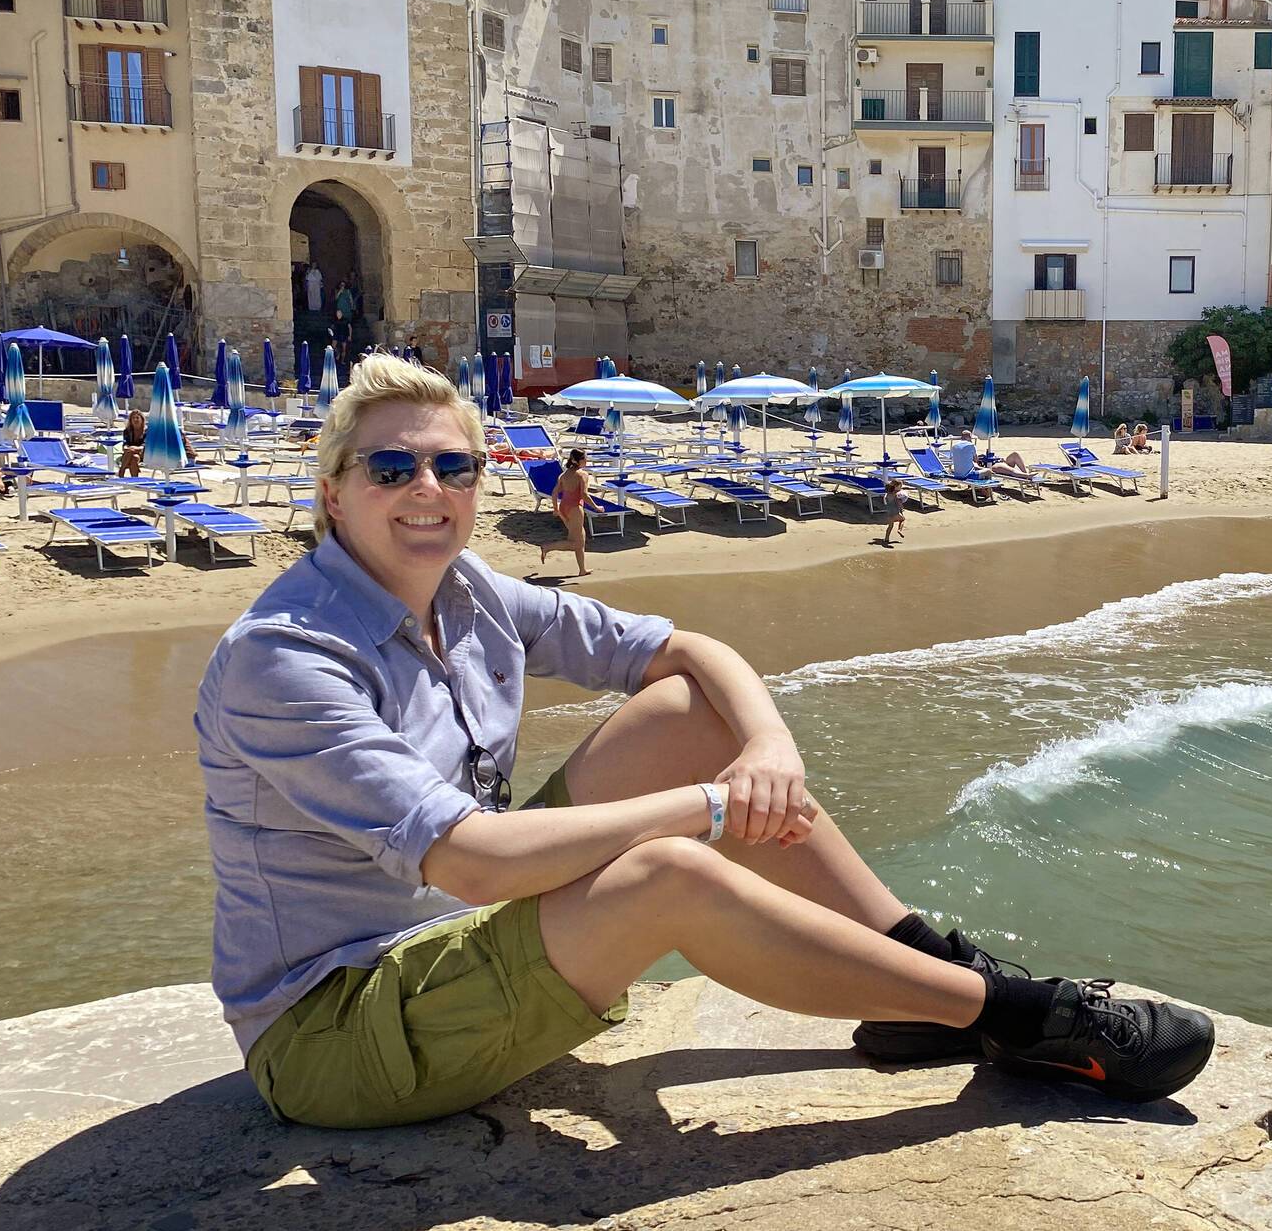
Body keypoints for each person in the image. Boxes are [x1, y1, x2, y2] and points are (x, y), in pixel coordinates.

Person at [196, 357, 1214, 1129]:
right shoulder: (285, 657)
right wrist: (716, 808)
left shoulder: (467, 593)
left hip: (454, 933)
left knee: (691, 714)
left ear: (476, 480)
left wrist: (767, 746)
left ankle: (915, 968)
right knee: (670, 873)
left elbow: (685, 652)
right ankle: (1017, 1013)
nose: (427, 485)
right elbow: (467, 862)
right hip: (336, 1028)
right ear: (333, 491)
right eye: (391, 466)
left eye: (452, 463)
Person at [539, 449, 598, 577]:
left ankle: (582, 570)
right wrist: (596, 507)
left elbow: (554, 493)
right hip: (575, 508)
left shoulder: (564, 475)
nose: (586, 461)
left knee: (580, 540)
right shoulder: (582, 475)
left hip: (564, 508)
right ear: (577, 461)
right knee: (576, 543)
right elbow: (584, 494)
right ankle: (547, 547)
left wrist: (556, 509)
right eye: (584, 459)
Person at [117, 408, 148, 479]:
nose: (135, 420)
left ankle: (122, 471)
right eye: (133, 418)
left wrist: (132, 448)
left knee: (131, 452)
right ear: (130, 420)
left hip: (143, 454)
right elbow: (125, 444)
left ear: (142, 419)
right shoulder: (127, 431)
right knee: (135, 457)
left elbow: (144, 446)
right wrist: (128, 448)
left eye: (137, 418)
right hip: (131, 454)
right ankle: (134, 479)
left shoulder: (147, 432)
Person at [882, 476, 907, 544]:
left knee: (890, 526)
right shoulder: (897, 495)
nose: (901, 487)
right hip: (896, 512)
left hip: (889, 512)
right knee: (902, 520)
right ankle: (899, 530)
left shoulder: (888, 494)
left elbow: (886, 502)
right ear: (896, 486)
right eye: (900, 486)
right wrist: (902, 507)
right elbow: (899, 503)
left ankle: (886, 539)